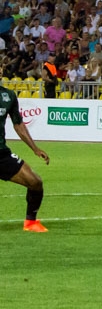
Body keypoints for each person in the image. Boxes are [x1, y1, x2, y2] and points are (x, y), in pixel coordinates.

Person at [0, 82, 49, 232]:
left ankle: (30, 223)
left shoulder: (8, 96)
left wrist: (35, 148)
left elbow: (18, 124)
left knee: (35, 182)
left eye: (1, 69)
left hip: (1, 154)